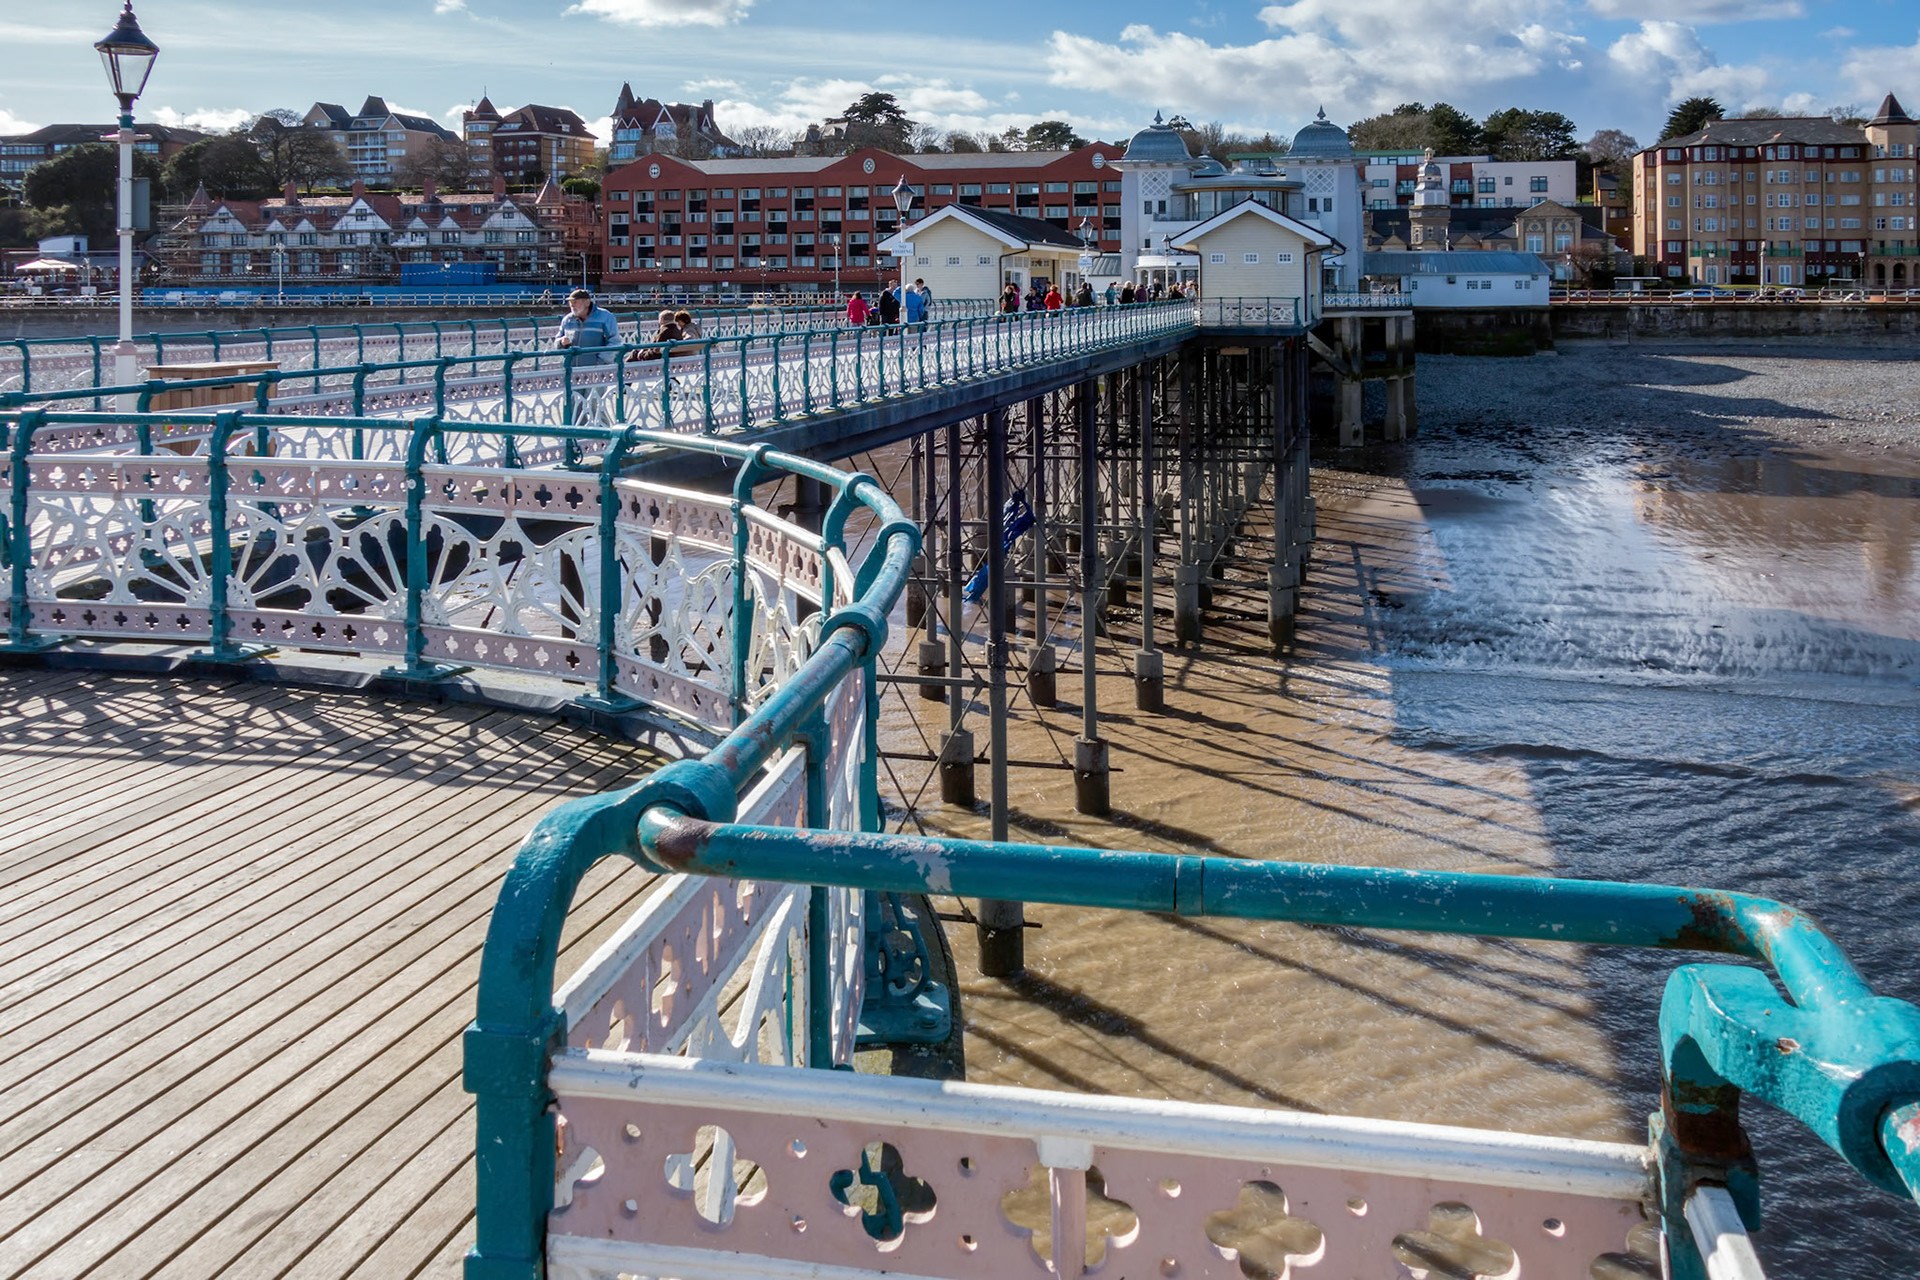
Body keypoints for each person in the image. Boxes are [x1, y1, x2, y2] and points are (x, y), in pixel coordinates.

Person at [553, 288, 620, 365]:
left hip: (597, 370)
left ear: (587, 303)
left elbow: (615, 341)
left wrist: (602, 361)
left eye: (575, 302)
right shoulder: (567, 320)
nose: (572, 305)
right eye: (570, 302)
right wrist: (561, 342)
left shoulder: (605, 317)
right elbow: (556, 342)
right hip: (571, 369)